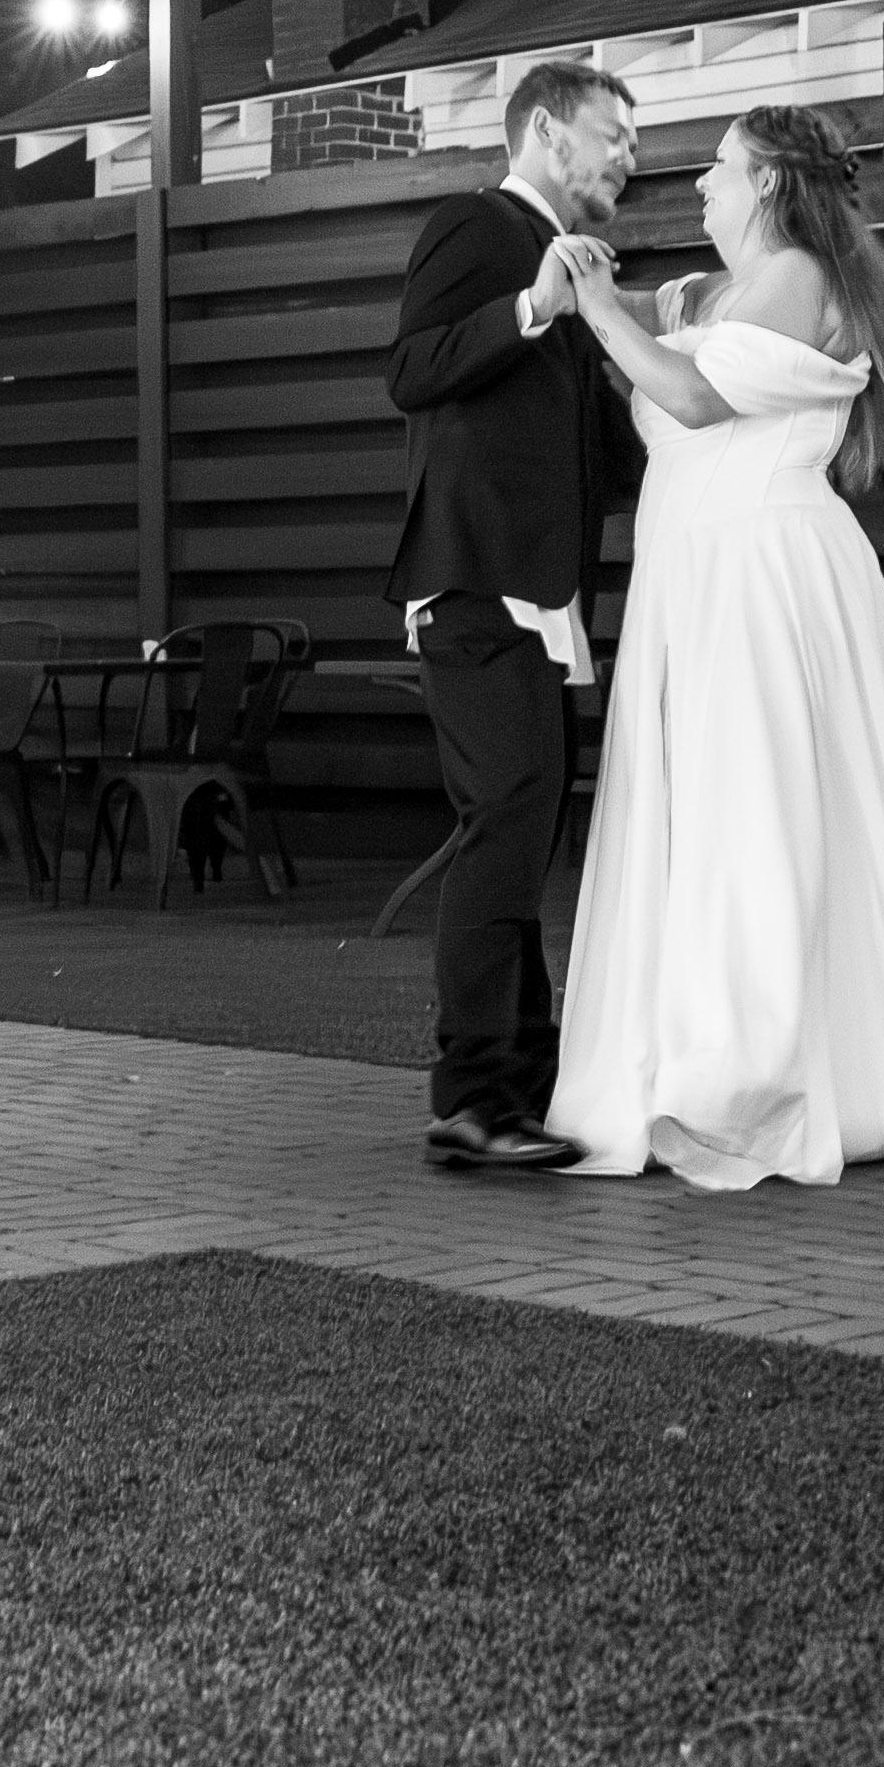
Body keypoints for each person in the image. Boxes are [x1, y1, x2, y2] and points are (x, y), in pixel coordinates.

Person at [540, 103, 884, 1188]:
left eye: (719, 165)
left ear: (765, 183)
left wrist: (597, 310)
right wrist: (581, 278)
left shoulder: (801, 276)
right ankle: (691, 1060)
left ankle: (751, 1076)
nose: (699, 182)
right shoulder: (711, 293)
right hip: (694, 575)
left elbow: (692, 395)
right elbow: (648, 324)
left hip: (762, 572)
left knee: (757, 810)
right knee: (703, 812)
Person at [382, 58, 641, 1171]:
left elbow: (608, 455)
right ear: (545, 130)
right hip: (476, 585)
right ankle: (474, 1098)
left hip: (540, 597)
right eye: (613, 135)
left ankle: (520, 1091)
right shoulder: (476, 227)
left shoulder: (571, 265)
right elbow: (411, 370)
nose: (629, 157)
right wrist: (532, 305)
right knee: (507, 823)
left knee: (524, 831)